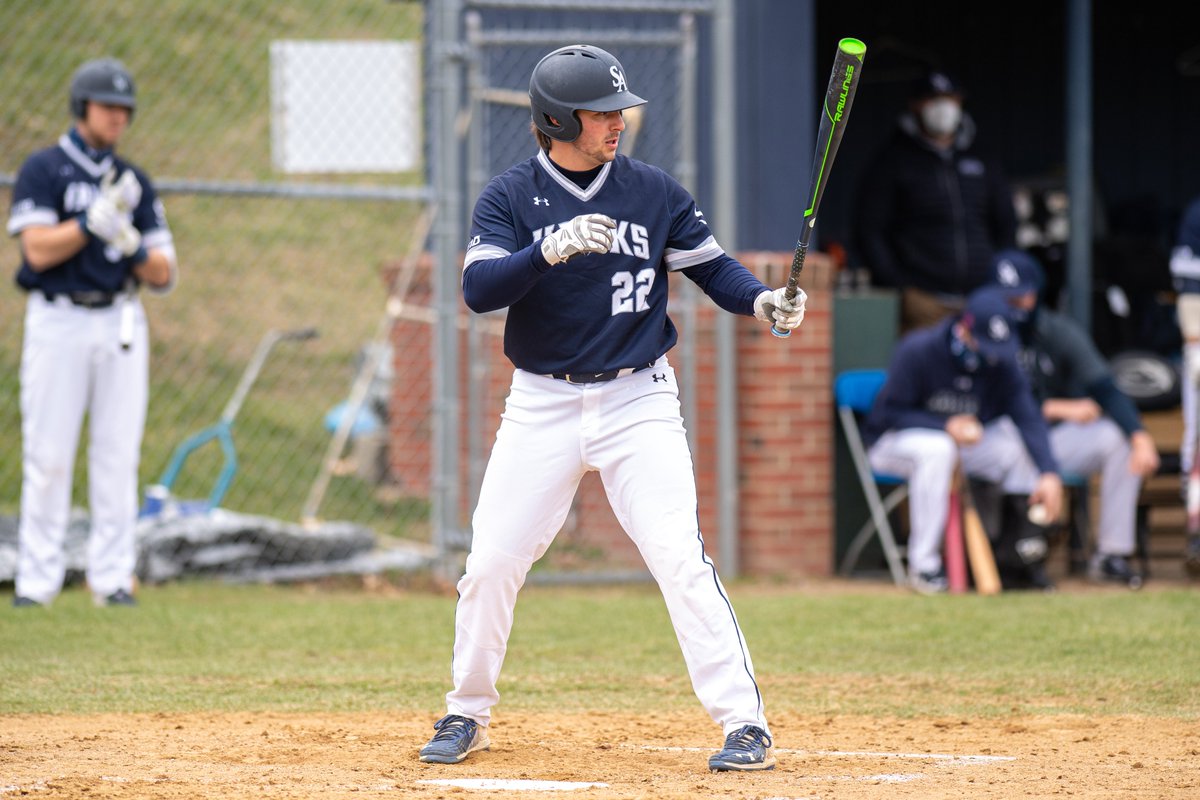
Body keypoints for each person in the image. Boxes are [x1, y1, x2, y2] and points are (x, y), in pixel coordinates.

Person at [418, 44, 802, 772]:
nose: (618, 122)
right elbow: (478, 291)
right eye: (600, 113)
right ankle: (466, 711)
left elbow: (712, 269)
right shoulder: (509, 196)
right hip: (542, 402)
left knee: (679, 557)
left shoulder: (652, 191)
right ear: (557, 120)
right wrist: (548, 251)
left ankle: (744, 723)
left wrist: (760, 299)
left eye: (618, 110)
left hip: (638, 397)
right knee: (492, 561)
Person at [7, 58, 177, 608]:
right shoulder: (45, 169)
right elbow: (36, 249)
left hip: (119, 319)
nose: (117, 117)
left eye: (125, 109)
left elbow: (163, 273)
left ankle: (111, 579)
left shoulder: (133, 182)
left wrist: (129, 242)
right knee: (49, 454)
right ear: (82, 107)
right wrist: (87, 224)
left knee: (117, 455)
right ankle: (37, 582)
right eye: (107, 107)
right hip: (59, 319)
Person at [863, 286, 1064, 593]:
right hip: (893, 444)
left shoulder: (1002, 362)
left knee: (1014, 446)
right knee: (939, 449)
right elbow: (888, 414)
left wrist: (1049, 472)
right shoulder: (919, 349)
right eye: (985, 342)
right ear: (964, 327)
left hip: (963, 447)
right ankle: (924, 565)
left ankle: (1018, 558)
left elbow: (1028, 416)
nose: (992, 352)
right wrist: (945, 425)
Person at [992, 249, 1160, 588]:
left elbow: (1105, 388)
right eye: (1009, 297)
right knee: (1014, 442)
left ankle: (1111, 554)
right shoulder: (986, 331)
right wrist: (1056, 408)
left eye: (1023, 294)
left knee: (1117, 441)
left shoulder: (1055, 331)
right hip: (1005, 438)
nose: (1018, 304)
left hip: (1054, 439)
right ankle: (1019, 556)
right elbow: (987, 403)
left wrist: (1139, 435)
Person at [853, 69, 1017, 333]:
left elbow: (1006, 224)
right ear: (915, 105)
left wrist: (998, 280)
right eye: (933, 99)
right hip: (924, 304)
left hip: (979, 299)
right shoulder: (893, 161)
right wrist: (900, 288)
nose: (943, 107)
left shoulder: (982, 159)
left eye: (950, 99)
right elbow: (869, 230)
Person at [1171, 195, 1200, 576]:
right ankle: (1196, 528)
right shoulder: (1197, 214)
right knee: (1196, 433)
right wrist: (1194, 339)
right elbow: (1186, 283)